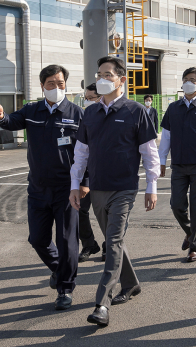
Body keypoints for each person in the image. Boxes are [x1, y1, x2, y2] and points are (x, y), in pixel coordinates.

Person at [70, 56, 160, 327]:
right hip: (97, 187)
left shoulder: (136, 112)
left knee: (112, 243)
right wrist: (76, 185)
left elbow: (149, 152)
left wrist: (151, 186)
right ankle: (131, 284)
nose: (102, 79)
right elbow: (81, 153)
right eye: (99, 74)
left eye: (108, 75)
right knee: (115, 240)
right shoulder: (90, 113)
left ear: (122, 79)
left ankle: (102, 303)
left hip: (124, 188)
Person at [0, 64, 85, 311]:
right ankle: (58, 269)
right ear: (42, 86)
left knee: (67, 241)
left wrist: (84, 183)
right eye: (51, 84)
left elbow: (89, 152)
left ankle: (65, 288)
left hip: (67, 189)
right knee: (37, 239)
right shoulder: (32, 110)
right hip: (37, 188)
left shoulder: (77, 114)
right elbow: (12, 122)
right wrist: (1, 116)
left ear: (67, 84)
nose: (56, 87)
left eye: (60, 83)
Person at [158, 67, 196, 262]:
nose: (187, 82)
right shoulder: (173, 108)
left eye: (192, 79)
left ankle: (194, 247)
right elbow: (166, 138)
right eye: (185, 79)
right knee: (176, 204)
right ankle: (190, 231)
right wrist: (161, 161)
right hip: (178, 165)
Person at [78, 83, 105, 263]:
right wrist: (84, 180)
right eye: (85, 99)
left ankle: (109, 246)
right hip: (87, 175)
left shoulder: (113, 117)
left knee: (107, 213)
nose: (87, 102)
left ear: (101, 98)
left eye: (91, 99)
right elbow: (82, 151)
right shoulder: (85, 117)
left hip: (106, 175)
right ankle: (89, 244)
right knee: (79, 209)